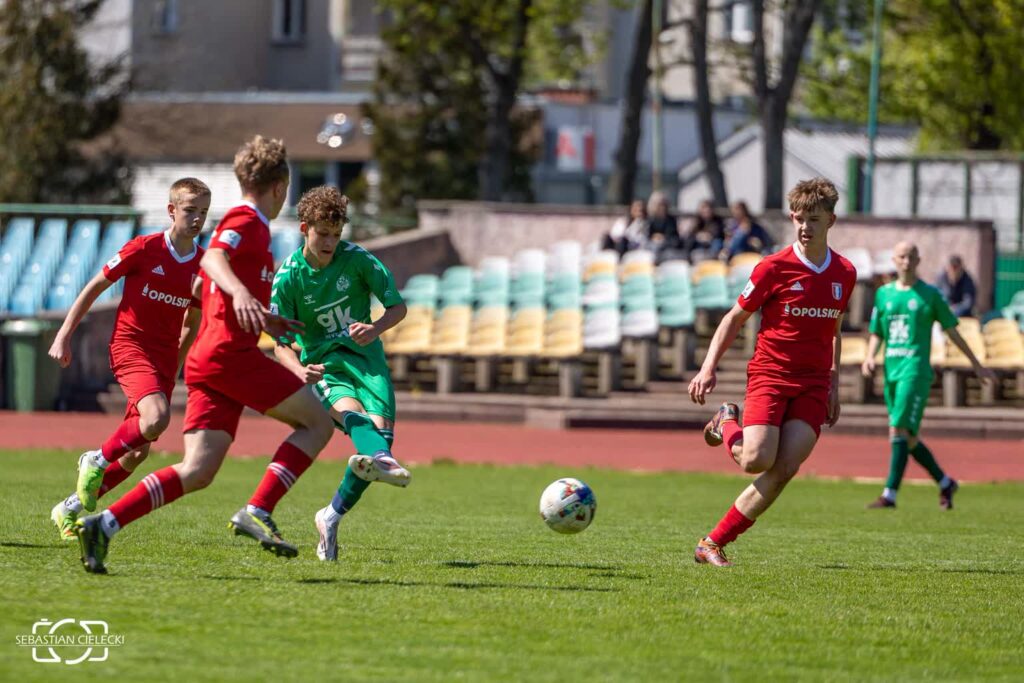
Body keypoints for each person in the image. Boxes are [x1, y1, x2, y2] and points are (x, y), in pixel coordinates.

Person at [75, 136, 335, 574]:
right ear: (280, 186)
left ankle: (103, 524)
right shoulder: (247, 219)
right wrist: (240, 294)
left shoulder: (254, 228)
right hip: (230, 357)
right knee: (318, 423)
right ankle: (259, 509)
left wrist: (261, 317)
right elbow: (213, 260)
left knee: (197, 470)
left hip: (212, 359)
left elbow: (201, 287)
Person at [687, 177, 857, 567]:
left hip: (813, 383)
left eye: (814, 219)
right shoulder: (773, 268)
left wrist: (834, 385)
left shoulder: (844, 272)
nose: (805, 227)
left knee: (784, 469)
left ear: (830, 220)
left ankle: (712, 543)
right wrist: (708, 368)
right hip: (771, 375)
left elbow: (835, 330)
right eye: (799, 218)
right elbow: (734, 318)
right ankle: (726, 422)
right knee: (755, 460)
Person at [47, 178, 209, 541]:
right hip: (130, 347)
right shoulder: (144, 248)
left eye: (203, 212)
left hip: (163, 361)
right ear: (171, 211)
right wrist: (63, 334)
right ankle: (95, 459)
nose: (197, 218)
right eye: (190, 210)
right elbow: (95, 286)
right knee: (157, 418)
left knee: (137, 454)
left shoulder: (203, 266)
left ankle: (68, 508)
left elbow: (192, 320)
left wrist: (175, 366)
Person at [270, 186, 410, 562]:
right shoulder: (288, 278)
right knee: (359, 423)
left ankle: (330, 516)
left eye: (336, 234)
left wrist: (375, 328)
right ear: (304, 228)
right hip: (325, 367)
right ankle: (382, 457)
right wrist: (299, 369)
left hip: (368, 362)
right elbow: (280, 344)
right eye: (323, 233)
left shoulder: (359, 261)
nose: (330, 242)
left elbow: (397, 307)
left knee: (376, 446)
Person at [862, 242, 995, 510]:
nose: (906, 261)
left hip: (916, 371)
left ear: (918, 260)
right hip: (891, 370)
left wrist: (976, 363)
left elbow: (952, 331)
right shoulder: (884, 294)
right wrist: (869, 356)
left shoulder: (930, 294)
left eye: (911, 256)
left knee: (898, 429)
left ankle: (890, 494)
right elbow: (877, 331)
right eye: (902, 256)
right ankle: (945, 483)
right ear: (894, 260)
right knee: (908, 438)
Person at [645, 191, 680, 259]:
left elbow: (672, 236)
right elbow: (646, 235)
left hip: (667, 246)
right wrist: (654, 237)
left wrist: (662, 237)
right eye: (659, 205)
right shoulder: (649, 219)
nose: (661, 207)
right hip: (651, 245)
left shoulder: (671, 220)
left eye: (663, 205)